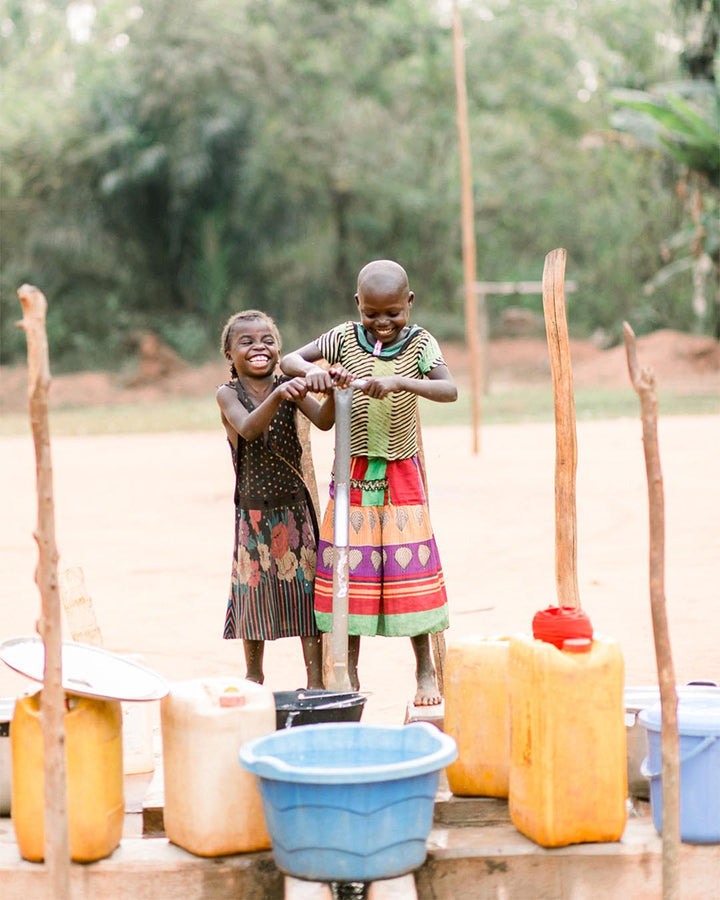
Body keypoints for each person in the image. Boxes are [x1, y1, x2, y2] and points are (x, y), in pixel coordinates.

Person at [281, 259, 457, 705]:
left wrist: (400, 381)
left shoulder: (419, 343)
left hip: (400, 472)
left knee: (408, 566)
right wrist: (314, 373)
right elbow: (290, 360)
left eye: (394, 313)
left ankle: (424, 672)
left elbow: (448, 388)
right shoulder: (341, 338)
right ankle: (349, 674)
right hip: (353, 470)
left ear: (409, 303)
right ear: (357, 304)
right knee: (350, 568)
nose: (382, 323)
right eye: (372, 314)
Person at [217, 309, 335, 689]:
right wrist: (281, 392)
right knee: (253, 596)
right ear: (230, 356)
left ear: (279, 350)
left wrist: (330, 389)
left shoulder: (291, 385)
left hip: (295, 509)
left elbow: (324, 421)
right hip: (252, 512)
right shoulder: (227, 394)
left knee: (305, 596)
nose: (258, 347)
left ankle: (314, 681)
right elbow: (249, 429)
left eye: (267, 340)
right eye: (246, 341)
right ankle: (254, 676)